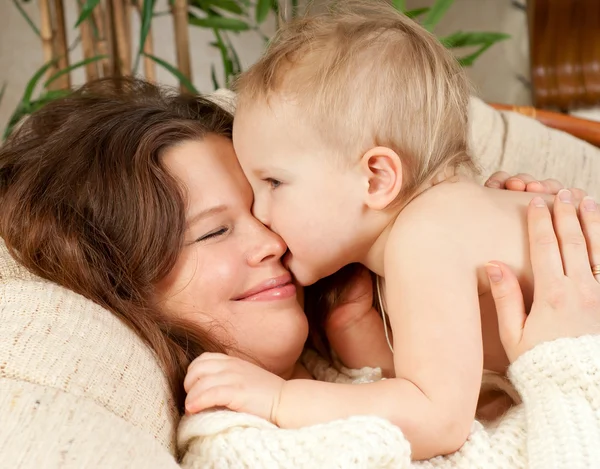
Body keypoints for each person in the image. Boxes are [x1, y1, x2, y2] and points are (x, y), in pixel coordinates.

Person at [0, 77, 598, 468]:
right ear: (124, 290)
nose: (269, 239)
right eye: (213, 231)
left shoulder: (349, 330)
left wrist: (504, 249)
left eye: (269, 202)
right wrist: (567, 364)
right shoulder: (240, 443)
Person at [184, 1, 600, 460]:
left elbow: (439, 420)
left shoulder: (423, 239)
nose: (260, 215)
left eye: (274, 183)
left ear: (376, 178)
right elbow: (463, 373)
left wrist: (279, 400)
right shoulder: (440, 223)